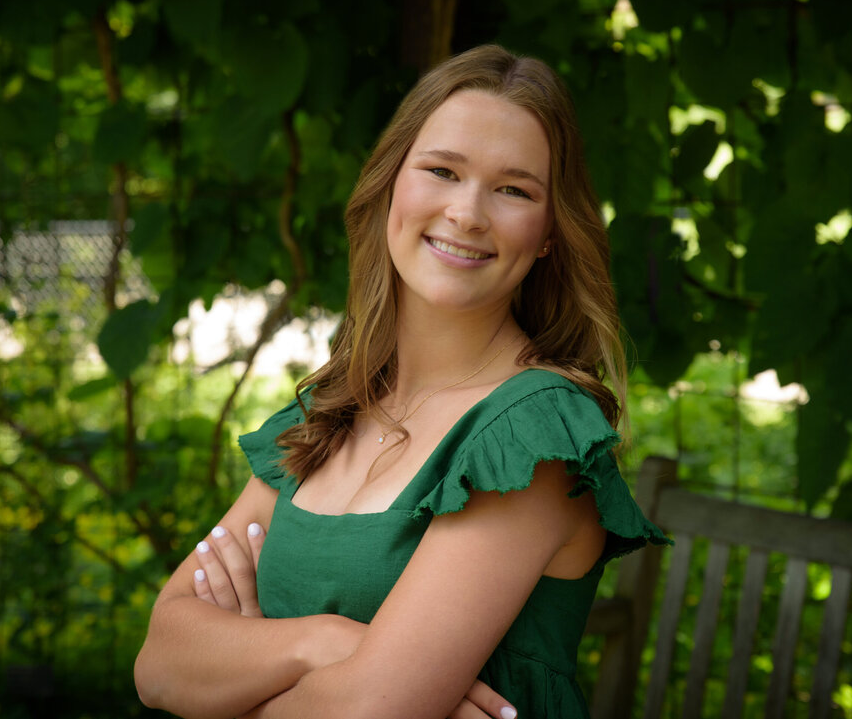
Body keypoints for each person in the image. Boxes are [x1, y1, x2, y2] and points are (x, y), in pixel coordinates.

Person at [133, 44, 668, 719]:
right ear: (392, 186)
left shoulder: (532, 434)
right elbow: (159, 662)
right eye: (443, 170)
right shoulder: (332, 408)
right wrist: (322, 643)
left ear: (548, 235)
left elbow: (367, 711)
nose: (468, 213)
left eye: (513, 189)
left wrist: (234, 677)